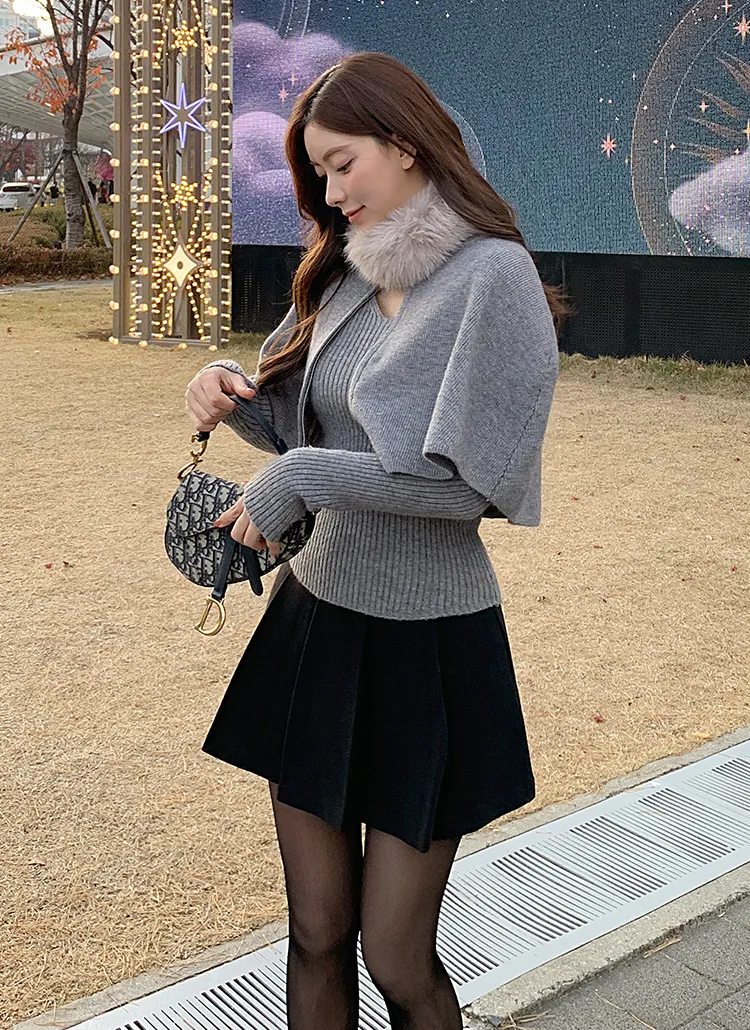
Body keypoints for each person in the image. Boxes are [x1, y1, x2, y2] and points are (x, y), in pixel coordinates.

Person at [184, 51, 568, 1030]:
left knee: (396, 952)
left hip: (429, 646)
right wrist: (231, 393)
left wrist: (303, 479)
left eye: (341, 163)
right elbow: (300, 431)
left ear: (405, 144)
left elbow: (472, 485)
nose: (330, 192)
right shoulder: (351, 264)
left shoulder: (493, 275)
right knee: (315, 929)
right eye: (318, 172)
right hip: (319, 626)